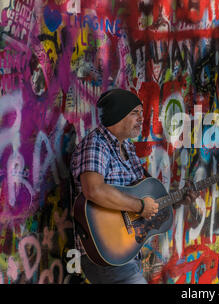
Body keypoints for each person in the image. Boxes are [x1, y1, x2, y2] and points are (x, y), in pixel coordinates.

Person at [70, 88, 197, 284]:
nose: (141, 118)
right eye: (135, 112)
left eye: (141, 112)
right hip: (105, 255)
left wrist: (177, 199)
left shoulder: (127, 147)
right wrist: (139, 206)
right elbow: (94, 190)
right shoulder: (96, 144)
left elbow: (147, 199)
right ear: (118, 114)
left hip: (126, 255)